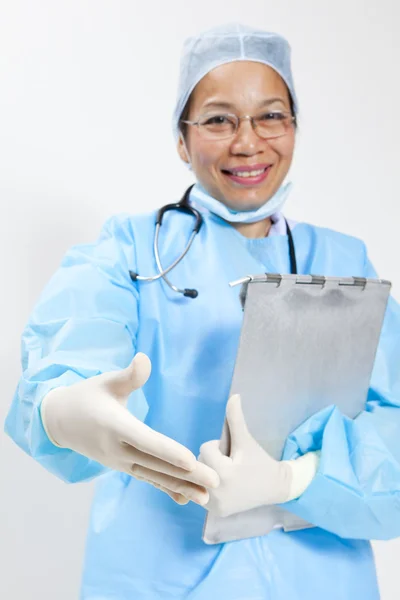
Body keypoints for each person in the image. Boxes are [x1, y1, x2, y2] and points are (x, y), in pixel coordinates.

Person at [4, 22, 400, 600]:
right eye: (218, 119)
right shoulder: (132, 251)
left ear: (294, 127)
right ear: (181, 140)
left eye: (271, 116)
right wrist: (65, 406)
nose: (247, 142)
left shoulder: (346, 261)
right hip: (157, 579)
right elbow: (76, 341)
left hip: (320, 580)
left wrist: (299, 478)